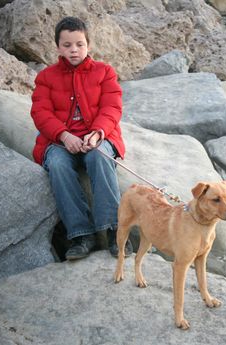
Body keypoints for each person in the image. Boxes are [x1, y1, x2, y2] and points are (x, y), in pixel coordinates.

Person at [30, 16, 132, 261]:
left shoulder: (104, 72)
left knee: (100, 157)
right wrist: (64, 136)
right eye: (67, 45)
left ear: (88, 45)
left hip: (97, 137)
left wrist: (97, 133)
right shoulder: (46, 77)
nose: (73, 50)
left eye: (79, 44)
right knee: (57, 165)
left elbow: (112, 108)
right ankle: (80, 234)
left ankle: (113, 230)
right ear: (58, 47)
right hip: (58, 141)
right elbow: (40, 112)